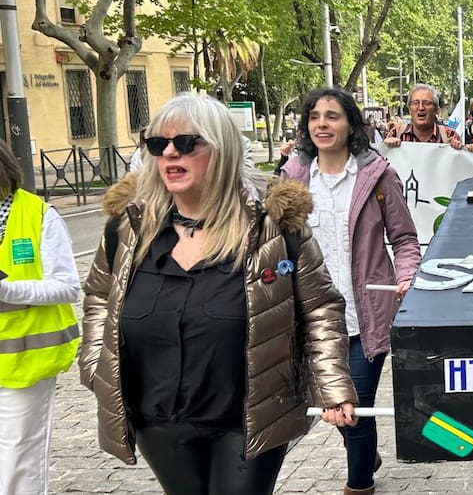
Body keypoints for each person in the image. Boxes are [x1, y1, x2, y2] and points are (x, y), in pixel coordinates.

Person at [80, 93, 357, 495]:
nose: (170, 153)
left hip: (248, 416)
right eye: (158, 144)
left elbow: (320, 308)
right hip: (158, 416)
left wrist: (332, 385)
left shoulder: (273, 226)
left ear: (222, 148)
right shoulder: (127, 228)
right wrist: (96, 366)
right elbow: (98, 299)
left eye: (187, 143)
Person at [279, 87, 422, 495]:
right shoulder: (292, 179)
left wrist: (406, 276)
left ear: (350, 124)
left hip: (365, 316)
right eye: (315, 117)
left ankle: (359, 485)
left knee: (353, 408)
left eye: (332, 116)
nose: (322, 124)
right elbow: (275, 242)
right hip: (309, 318)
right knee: (336, 408)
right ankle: (365, 450)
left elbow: (405, 239)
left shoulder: (377, 176)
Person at [0, 141, 79, 495]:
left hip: (26, 363)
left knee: (19, 460)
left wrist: (7, 290)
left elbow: (67, 288)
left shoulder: (39, 215)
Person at [384, 84, 463, 149]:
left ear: (436, 109)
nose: (421, 107)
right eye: (415, 103)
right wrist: (386, 148)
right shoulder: (396, 133)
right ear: (409, 109)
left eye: (427, 103)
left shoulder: (449, 135)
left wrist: (457, 150)